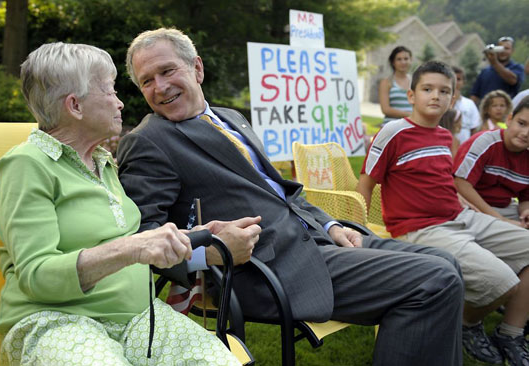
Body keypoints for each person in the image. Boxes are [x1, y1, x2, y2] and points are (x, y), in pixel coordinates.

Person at [116, 28, 465, 366]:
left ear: (197, 68)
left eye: (167, 70)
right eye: (147, 80)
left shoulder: (230, 117)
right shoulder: (149, 140)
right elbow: (142, 235)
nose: (159, 87)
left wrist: (329, 224)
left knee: (448, 264)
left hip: (316, 239)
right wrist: (209, 252)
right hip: (269, 267)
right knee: (435, 281)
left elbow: (278, 189)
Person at [0, 42, 258, 366]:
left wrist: (192, 236)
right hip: (57, 321)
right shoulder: (28, 164)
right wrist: (133, 247)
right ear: (75, 105)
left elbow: (131, 241)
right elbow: (37, 276)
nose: (120, 103)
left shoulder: (102, 162)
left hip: (138, 318)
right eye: (109, 90)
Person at [357, 61, 529, 366]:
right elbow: (366, 184)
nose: (435, 96)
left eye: (444, 91)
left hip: (460, 217)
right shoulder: (393, 132)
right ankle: (467, 322)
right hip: (421, 229)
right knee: (502, 282)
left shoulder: (443, 136)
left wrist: (470, 206)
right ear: (411, 95)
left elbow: (443, 181)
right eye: (427, 89)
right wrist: (356, 231)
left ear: (452, 99)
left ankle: (509, 332)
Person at [454, 97, 529, 228]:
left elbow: (525, 198)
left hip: (507, 209)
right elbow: (460, 183)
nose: (525, 133)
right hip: (470, 208)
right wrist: (499, 219)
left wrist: (526, 212)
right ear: (509, 120)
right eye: (521, 123)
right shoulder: (485, 142)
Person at [471, 36, 525, 104]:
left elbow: (513, 80)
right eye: (500, 48)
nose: (503, 51)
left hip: (507, 111)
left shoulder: (517, 67)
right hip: (486, 111)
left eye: (506, 48)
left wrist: (494, 63)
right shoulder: (485, 71)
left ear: (512, 51)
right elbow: (475, 95)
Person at [378, 46, 413, 125]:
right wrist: (411, 116)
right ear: (393, 62)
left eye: (406, 59)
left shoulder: (416, 82)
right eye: (399, 59)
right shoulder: (386, 82)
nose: (403, 62)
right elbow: (385, 109)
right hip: (391, 128)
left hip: (411, 128)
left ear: (411, 60)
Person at [452, 66, 481, 143]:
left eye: (458, 79)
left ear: (463, 82)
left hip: (465, 140)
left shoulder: (469, 103)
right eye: (452, 79)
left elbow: (474, 127)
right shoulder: (442, 101)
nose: (455, 82)